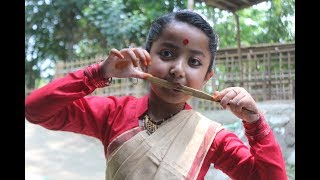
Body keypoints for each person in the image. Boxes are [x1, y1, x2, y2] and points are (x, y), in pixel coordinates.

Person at [25, 9, 287, 180]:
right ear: (145, 60)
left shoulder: (212, 138)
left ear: (207, 77)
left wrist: (255, 124)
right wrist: (97, 74)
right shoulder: (113, 112)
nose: (177, 70)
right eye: (167, 54)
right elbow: (34, 109)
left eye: (194, 63)